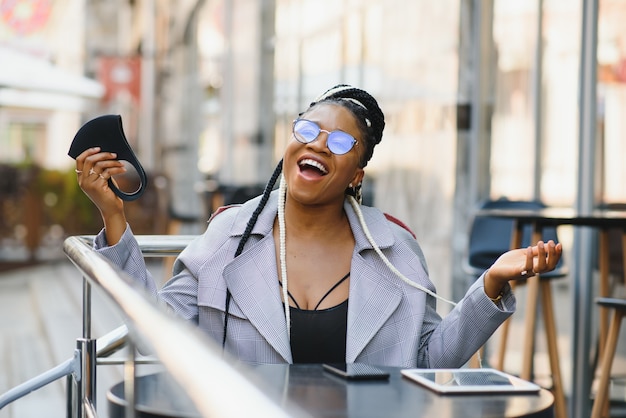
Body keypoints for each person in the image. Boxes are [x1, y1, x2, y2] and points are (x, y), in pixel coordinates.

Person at [75, 84, 562, 367]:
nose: (318, 145)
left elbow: (428, 365)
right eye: (307, 131)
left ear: (357, 175)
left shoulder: (395, 249)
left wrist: (491, 284)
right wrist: (114, 218)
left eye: (340, 143)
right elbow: (156, 333)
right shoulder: (228, 236)